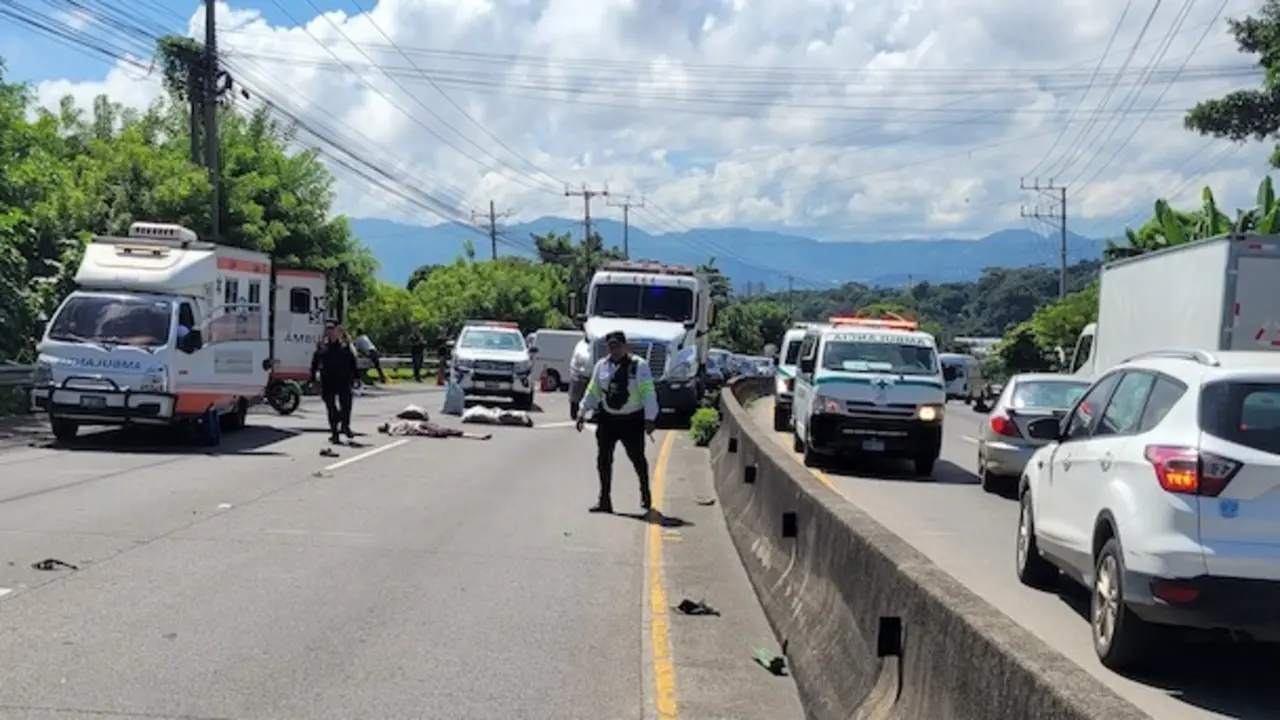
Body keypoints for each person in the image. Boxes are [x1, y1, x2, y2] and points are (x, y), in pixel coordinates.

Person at [576, 330, 659, 514]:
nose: (615, 350)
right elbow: (593, 391)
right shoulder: (601, 366)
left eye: (618, 346)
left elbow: (648, 392)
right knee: (603, 460)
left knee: (637, 459)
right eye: (611, 346)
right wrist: (582, 412)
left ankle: (645, 492)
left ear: (625, 346)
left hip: (631, 420)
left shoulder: (639, 366)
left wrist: (650, 418)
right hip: (608, 419)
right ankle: (604, 500)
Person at [311, 323, 360, 443]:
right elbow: (314, 364)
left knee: (346, 405)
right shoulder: (322, 348)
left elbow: (353, 363)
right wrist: (312, 379)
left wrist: (356, 378)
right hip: (328, 381)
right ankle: (334, 433)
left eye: (333, 330)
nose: (331, 333)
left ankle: (345, 425)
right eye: (328, 330)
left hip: (343, 380)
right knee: (331, 408)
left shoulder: (344, 347)